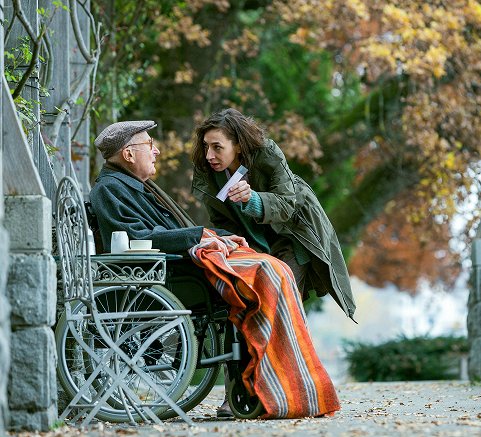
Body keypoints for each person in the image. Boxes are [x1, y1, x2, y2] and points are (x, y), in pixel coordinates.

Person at [89, 120, 341, 420]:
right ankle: (271, 386)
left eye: (216, 146)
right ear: (129, 155)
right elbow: (136, 237)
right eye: (149, 145)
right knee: (267, 276)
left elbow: (284, 204)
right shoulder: (112, 189)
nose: (156, 151)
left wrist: (219, 231)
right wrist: (205, 236)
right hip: (174, 274)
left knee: (275, 274)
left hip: (256, 246)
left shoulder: (128, 186)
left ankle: (277, 384)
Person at [191, 108, 356, 320]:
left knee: (279, 308)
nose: (209, 155)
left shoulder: (267, 154)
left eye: (217, 147)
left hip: (293, 236)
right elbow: (222, 221)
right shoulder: (208, 172)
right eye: (206, 146)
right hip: (255, 246)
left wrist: (253, 199)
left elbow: (287, 204)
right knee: (249, 306)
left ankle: (290, 351)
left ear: (238, 146)